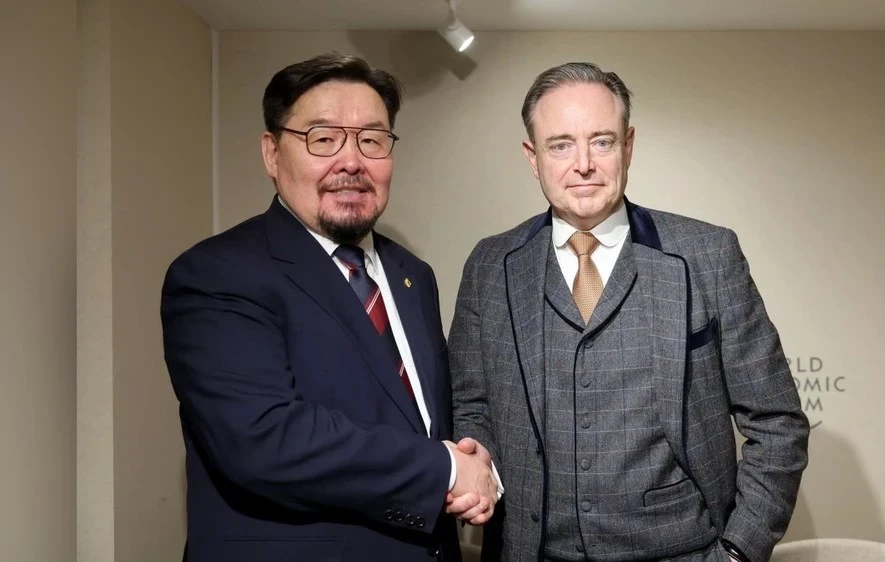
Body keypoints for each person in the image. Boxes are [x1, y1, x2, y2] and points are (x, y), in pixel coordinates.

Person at [449, 62, 810, 562]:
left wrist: (736, 553)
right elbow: (471, 406)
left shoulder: (708, 255)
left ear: (628, 146)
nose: (583, 165)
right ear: (533, 158)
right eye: (561, 145)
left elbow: (778, 423)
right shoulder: (490, 265)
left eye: (601, 141)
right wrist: (478, 463)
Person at [161, 51, 495, 562]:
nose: (352, 161)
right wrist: (446, 470)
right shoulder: (217, 273)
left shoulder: (413, 276)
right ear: (272, 153)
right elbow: (264, 438)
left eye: (372, 140)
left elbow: (425, 421)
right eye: (323, 138)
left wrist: (476, 461)